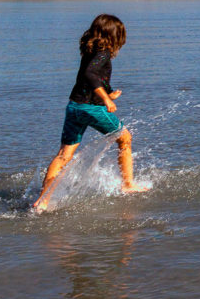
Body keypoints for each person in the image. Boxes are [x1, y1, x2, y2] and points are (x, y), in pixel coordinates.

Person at [33, 14, 148, 211]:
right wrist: (105, 99)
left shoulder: (90, 51)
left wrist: (108, 92)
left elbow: (92, 78)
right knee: (125, 138)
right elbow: (90, 74)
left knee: (63, 155)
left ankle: (43, 200)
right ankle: (128, 184)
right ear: (112, 35)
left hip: (74, 107)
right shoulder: (102, 54)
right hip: (91, 109)